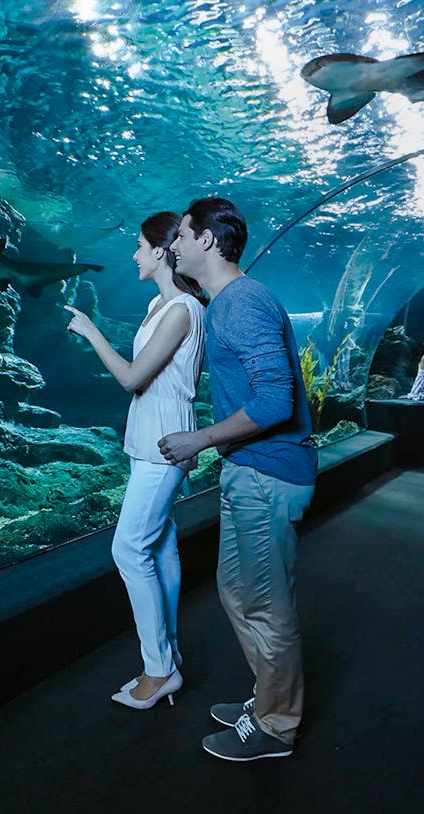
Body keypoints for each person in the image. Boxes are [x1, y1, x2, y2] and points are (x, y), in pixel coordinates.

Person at [156, 197, 318, 762]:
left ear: (205, 240)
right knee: (238, 592)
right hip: (250, 470)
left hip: (268, 475)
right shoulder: (227, 302)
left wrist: (200, 438)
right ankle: (270, 697)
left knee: (266, 605)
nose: (171, 245)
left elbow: (276, 399)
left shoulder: (240, 303)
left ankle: (277, 727)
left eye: (179, 235)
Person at [64, 211, 207, 710]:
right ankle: (168, 656)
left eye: (141, 246)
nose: (134, 254)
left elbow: (132, 379)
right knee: (161, 546)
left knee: (128, 550)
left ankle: (159, 670)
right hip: (144, 440)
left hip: (165, 445)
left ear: (164, 251)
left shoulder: (183, 310)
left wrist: (91, 331)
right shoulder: (156, 304)